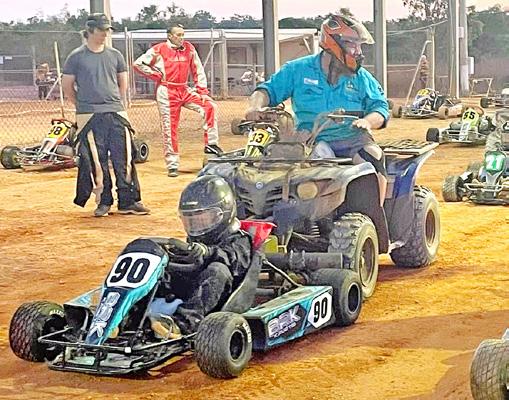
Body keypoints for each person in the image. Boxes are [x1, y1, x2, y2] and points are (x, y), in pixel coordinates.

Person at [245, 14, 389, 206]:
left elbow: (380, 107)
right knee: (282, 173)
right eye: (353, 45)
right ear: (334, 43)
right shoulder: (297, 69)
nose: (358, 52)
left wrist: (368, 121)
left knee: (373, 156)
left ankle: (375, 213)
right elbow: (266, 91)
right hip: (309, 141)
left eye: (360, 46)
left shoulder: (361, 77)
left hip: (352, 140)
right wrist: (255, 107)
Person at [62, 13, 149, 217]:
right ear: (90, 30)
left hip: (115, 112)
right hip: (89, 115)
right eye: (102, 30)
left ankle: (128, 201)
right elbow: (67, 86)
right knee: (96, 160)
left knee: (124, 157)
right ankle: (104, 200)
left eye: (107, 30)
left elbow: (122, 83)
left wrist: (115, 102)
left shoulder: (115, 55)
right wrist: (82, 105)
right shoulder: (76, 56)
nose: (105, 34)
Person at [148, 175, 254, 339]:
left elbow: (233, 260)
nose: (197, 227)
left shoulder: (240, 239)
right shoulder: (194, 243)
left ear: (224, 213)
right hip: (191, 288)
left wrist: (208, 252)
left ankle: (182, 324)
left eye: (203, 220)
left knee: (217, 270)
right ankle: (129, 317)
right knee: (159, 270)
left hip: (219, 293)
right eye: (191, 221)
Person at [133, 24, 222, 178]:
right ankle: (172, 164)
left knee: (210, 106)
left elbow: (198, 69)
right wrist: (156, 75)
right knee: (169, 127)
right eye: (178, 35)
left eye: (183, 34)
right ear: (170, 36)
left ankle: (211, 146)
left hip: (184, 89)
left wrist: (202, 91)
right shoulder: (159, 49)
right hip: (167, 91)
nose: (182, 38)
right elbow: (138, 64)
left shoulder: (189, 48)